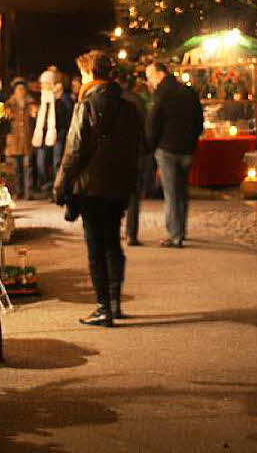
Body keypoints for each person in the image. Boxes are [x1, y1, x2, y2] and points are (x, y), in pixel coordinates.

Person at [55, 50, 143, 327]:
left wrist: (61, 184)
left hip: (92, 187)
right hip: (119, 185)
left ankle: (103, 306)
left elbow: (74, 150)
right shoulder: (129, 106)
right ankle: (114, 304)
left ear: (92, 74)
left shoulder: (87, 105)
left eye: (82, 73)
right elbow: (138, 145)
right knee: (113, 243)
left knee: (96, 247)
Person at [145, 62, 203, 248]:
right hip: (187, 149)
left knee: (171, 193)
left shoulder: (161, 94)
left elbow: (153, 124)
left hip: (167, 149)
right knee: (182, 192)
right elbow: (199, 121)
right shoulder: (188, 92)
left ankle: (174, 235)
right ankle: (182, 230)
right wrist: (192, 142)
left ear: (159, 74)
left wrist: (152, 147)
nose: (149, 81)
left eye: (150, 77)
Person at [121, 78, 151, 246]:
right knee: (133, 196)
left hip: (115, 153)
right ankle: (131, 234)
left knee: (113, 194)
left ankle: (114, 230)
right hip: (134, 152)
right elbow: (146, 127)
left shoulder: (111, 101)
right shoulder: (138, 101)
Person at [4, 78, 34, 199]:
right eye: (18, 89)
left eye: (23, 89)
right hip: (14, 141)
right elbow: (6, 119)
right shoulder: (9, 104)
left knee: (28, 167)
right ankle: (18, 191)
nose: (21, 91)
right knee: (16, 169)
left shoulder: (30, 103)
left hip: (27, 140)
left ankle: (28, 191)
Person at [32, 67, 59, 193]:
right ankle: (46, 184)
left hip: (57, 136)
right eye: (42, 84)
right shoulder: (40, 100)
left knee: (55, 163)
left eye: (46, 84)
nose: (44, 86)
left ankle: (54, 187)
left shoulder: (59, 100)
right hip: (42, 136)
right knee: (41, 163)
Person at [52, 78, 73, 174]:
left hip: (61, 131)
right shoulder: (50, 99)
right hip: (52, 131)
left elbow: (67, 116)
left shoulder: (65, 100)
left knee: (58, 156)